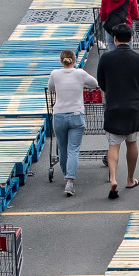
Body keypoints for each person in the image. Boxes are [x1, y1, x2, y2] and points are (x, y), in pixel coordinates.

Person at [96, 26, 139, 199]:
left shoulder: (106, 59)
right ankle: (129, 178)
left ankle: (113, 178)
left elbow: (101, 83)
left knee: (113, 146)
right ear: (131, 37)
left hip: (113, 107)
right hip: (133, 108)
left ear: (114, 39)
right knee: (132, 144)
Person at [47, 50, 99, 197]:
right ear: (74, 60)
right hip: (76, 115)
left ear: (61, 60)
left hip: (59, 115)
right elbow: (94, 83)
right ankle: (70, 181)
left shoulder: (55, 74)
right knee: (73, 149)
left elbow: (51, 88)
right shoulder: (80, 73)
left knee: (62, 148)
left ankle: (65, 175)